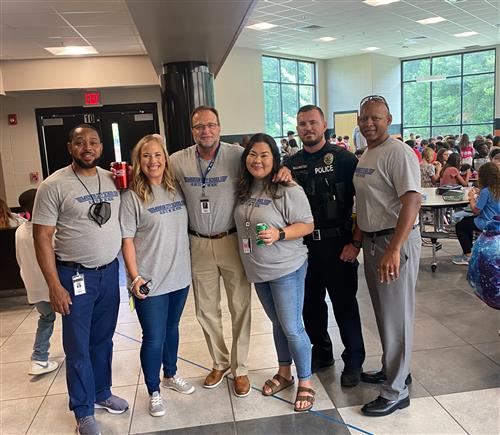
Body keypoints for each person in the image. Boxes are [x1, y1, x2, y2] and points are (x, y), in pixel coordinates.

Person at [32, 124, 128, 435]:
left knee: (103, 339)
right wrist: (53, 286)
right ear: (70, 147)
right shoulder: (54, 185)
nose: (87, 147)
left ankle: (101, 392)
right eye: (79, 142)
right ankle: (83, 410)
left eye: (92, 142)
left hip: (109, 272)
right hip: (73, 275)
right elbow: (42, 236)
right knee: (78, 347)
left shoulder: (113, 178)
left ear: (101, 147)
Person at [283, 105, 366, 387]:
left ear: (324, 125)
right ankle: (322, 353)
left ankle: (354, 359)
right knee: (310, 306)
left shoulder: (344, 160)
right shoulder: (290, 164)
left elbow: (363, 206)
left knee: (344, 305)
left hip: (339, 245)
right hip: (303, 248)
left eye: (313, 123)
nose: (308, 128)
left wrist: (356, 243)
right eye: (302, 124)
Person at [234, 133, 315, 411]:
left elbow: (307, 225)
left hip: (286, 268)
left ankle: (305, 382)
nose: (257, 160)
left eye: (264, 155)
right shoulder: (244, 188)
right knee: (278, 323)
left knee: (292, 327)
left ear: (275, 159)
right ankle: (285, 373)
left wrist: (279, 233)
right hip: (258, 271)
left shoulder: (287, 188)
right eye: (253, 154)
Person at [354, 95, 421, 417]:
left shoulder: (399, 152)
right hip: (373, 241)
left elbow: (412, 201)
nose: (369, 123)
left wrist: (394, 248)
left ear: (389, 119)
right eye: (364, 118)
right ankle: (393, 368)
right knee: (384, 314)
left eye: (375, 118)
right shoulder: (369, 152)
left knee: (397, 316)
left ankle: (396, 391)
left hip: (393, 243)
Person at [120, 135, 193, 417]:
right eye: (146, 156)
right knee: (153, 337)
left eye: (158, 155)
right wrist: (135, 277)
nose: (153, 161)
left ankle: (170, 374)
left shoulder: (176, 189)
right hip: (149, 281)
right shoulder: (132, 197)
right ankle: (153, 390)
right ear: (139, 161)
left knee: (172, 328)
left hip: (179, 276)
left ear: (166, 158)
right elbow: (126, 241)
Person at [15, 189, 58, 376]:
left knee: (46, 318)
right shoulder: (51, 231)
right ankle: (79, 354)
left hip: (33, 286)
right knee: (74, 320)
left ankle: (39, 358)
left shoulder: (19, 231)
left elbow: (19, 260)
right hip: (55, 285)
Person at [452, 163, 500, 265]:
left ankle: (468, 255)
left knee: (460, 226)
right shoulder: (495, 189)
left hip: (486, 222)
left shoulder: (486, 191)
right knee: (466, 223)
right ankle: (469, 251)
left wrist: (471, 197)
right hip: (497, 222)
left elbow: (476, 210)